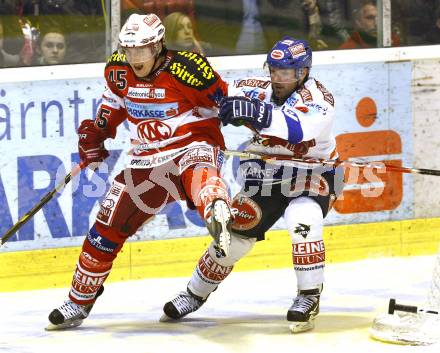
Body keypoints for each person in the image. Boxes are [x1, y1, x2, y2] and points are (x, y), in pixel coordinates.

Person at [46, 13, 233, 330]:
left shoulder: (187, 68)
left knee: (201, 175)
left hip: (191, 146)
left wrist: (243, 115)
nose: (135, 57)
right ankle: (79, 300)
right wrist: (94, 137)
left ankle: (217, 211)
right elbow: (109, 114)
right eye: (129, 49)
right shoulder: (118, 71)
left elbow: (226, 104)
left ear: (159, 45)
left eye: (142, 49)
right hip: (145, 160)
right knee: (107, 223)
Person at [162, 36, 344, 333]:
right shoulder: (255, 89)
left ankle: (309, 296)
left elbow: (295, 130)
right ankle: (194, 293)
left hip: (314, 173)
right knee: (234, 236)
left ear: (303, 72)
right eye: (272, 70)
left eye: (284, 72)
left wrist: (254, 113)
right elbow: (215, 97)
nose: (276, 78)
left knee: (303, 219)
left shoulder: (320, 100)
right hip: (269, 174)